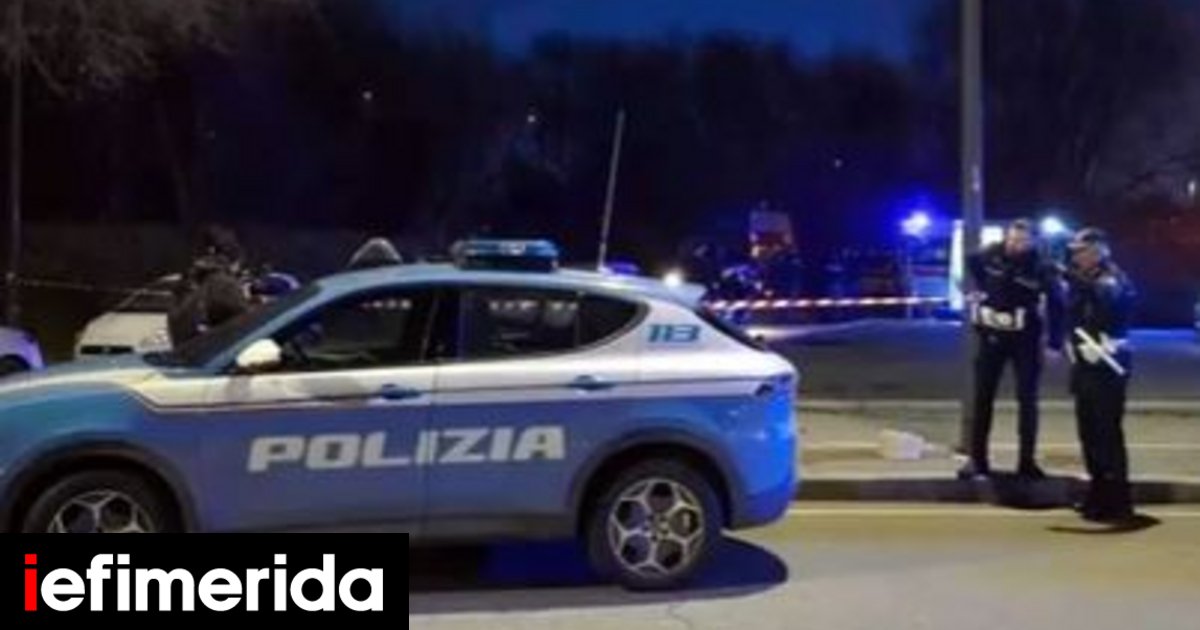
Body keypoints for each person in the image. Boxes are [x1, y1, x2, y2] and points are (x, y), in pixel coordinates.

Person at [959, 219, 1064, 481]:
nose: (1017, 245)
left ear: (1033, 242)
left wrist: (1055, 343)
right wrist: (978, 292)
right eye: (1014, 239)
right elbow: (971, 266)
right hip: (992, 336)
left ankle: (1027, 462)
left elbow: (1057, 303)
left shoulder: (1040, 266)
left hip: (1025, 338)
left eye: (1023, 241)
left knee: (1027, 400)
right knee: (983, 397)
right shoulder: (989, 256)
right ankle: (978, 460)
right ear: (1006, 237)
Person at [1063, 228, 1136, 523]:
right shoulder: (1082, 280)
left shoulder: (1113, 278)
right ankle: (1098, 492)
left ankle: (1119, 499)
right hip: (1085, 365)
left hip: (1109, 364)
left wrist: (1077, 282)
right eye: (1075, 252)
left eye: (1081, 251)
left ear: (1098, 251)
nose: (1076, 256)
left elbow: (1108, 303)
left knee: (1108, 433)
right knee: (1088, 433)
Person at [167, 225, 252, 347]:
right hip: (213, 354)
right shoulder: (223, 283)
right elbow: (249, 326)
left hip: (185, 352)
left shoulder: (188, 280)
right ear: (234, 260)